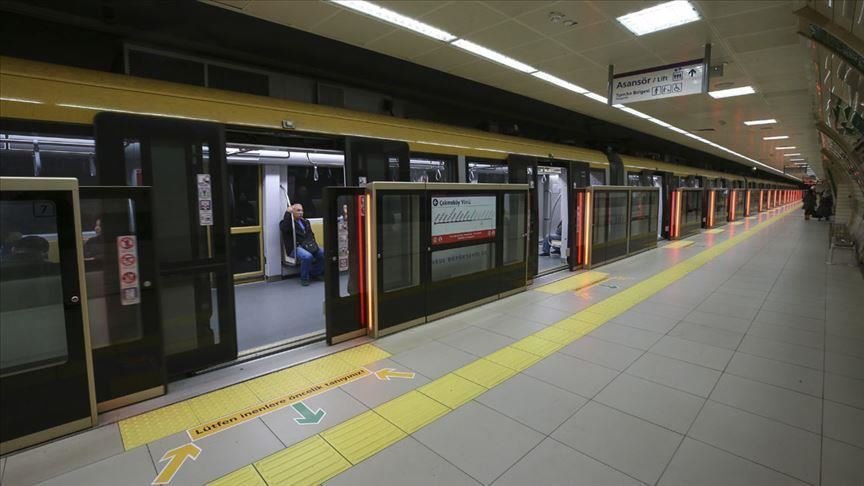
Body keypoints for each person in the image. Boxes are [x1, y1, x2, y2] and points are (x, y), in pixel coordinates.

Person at [280, 203, 324, 286]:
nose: (301, 212)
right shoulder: (287, 223)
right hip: (296, 247)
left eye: (302, 210)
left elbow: (311, 235)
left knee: (323, 253)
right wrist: (287, 214)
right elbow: (284, 229)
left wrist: (314, 245)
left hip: (308, 245)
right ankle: (304, 278)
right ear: (292, 212)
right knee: (307, 256)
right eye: (298, 210)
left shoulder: (305, 222)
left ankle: (315, 272)